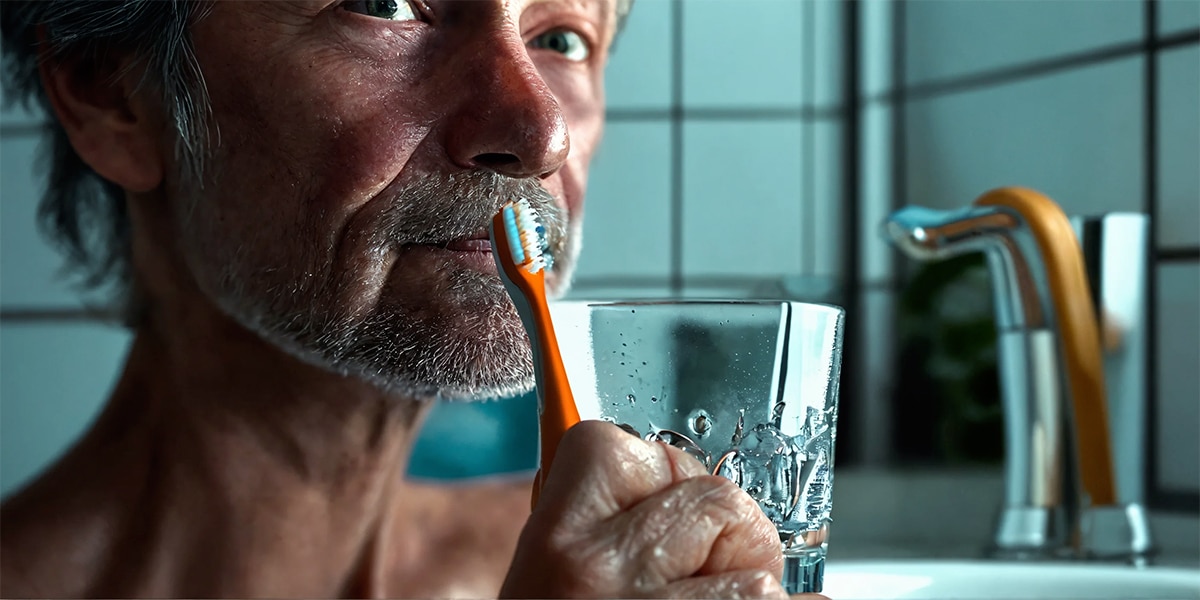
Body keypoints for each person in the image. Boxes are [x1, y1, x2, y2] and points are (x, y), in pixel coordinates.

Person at [0, 1, 821, 597]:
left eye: (561, 37)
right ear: (109, 94)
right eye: (385, 6)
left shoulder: (627, 565)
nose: (538, 132)